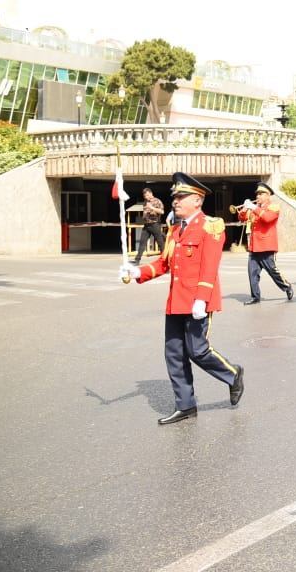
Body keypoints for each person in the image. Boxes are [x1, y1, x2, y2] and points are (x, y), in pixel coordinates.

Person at [120, 172, 243, 425]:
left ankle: (232, 374)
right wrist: (138, 272)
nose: (175, 200)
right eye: (175, 196)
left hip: (199, 300)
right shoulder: (175, 229)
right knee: (174, 353)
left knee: (198, 351)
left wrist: (202, 299)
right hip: (176, 301)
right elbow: (165, 263)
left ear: (197, 201)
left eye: (182, 196)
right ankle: (185, 404)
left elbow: (210, 266)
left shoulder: (211, 226)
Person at [235, 182, 294, 305]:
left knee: (272, 271)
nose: (258, 196)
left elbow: (267, 218)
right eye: (257, 194)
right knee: (252, 273)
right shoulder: (255, 208)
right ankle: (255, 297)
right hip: (254, 245)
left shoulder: (273, 207)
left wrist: (254, 208)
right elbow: (242, 219)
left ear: (268, 195)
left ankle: (287, 286)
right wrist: (245, 208)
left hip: (266, 245)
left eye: (261, 194)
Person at [133, 187, 166, 264]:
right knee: (142, 242)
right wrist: (144, 216)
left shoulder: (157, 201)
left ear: (151, 193)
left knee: (160, 243)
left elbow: (162, 211)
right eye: (145, 196)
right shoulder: (145, 202)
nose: (146, 197)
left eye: (147, 195)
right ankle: (137, 260)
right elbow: (145, 211)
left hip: (155, 224)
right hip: (147, 225)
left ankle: (165, 259)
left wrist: (152, 208)